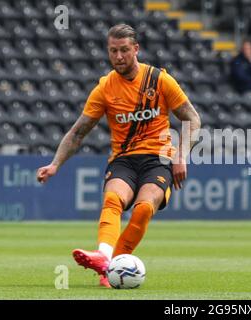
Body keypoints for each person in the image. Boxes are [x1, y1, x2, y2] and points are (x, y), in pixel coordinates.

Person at [36, 24, 201, 288]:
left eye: (124, 50)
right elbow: (78, 132)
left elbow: (192, 118)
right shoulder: (105, 88)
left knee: (144, 208)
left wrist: (182, 156)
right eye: (113, 51)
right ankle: (105, 258)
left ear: (136, 49)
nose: (119, 56)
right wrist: (55, 164)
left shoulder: (158, 80)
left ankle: (110, 264)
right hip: (124, 159)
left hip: (159, 158)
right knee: (112, 200)